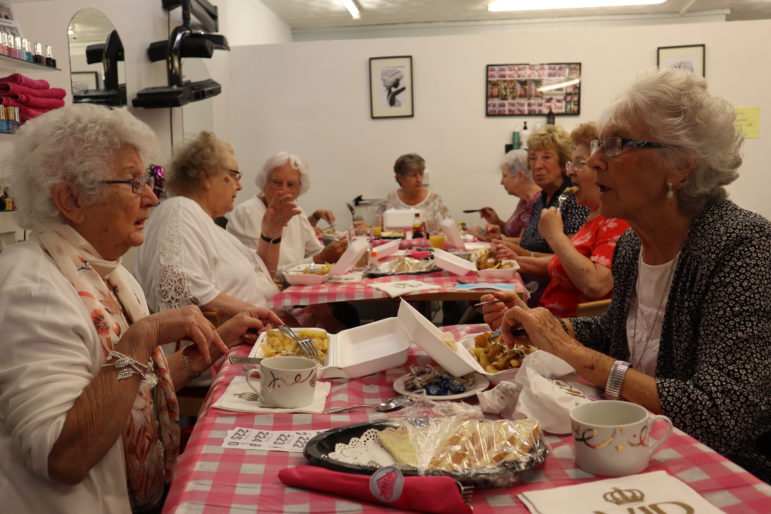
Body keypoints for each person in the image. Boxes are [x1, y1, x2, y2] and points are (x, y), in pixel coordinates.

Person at [484, 69, 770, 481]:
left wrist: (579, 357)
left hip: (723, 471)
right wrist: (545, 326)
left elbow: (720, 413)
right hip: (637, 448)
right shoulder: (633, 246)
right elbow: (621, 333)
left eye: (617, 145)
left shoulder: (742, 246)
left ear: (681, 167)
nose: (595, 161)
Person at [0, 104, 281, 512]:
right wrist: (140, 337)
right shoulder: (29, 287)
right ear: (71, 199)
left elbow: (140, 391)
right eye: (134, 182)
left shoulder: (109, 274)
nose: (151, 197)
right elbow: (62, 457)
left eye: (149, 179)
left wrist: (215, 342)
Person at [135, 131, 297, 321]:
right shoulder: (179, 209)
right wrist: (262, 316)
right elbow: (179, 287)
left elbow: (262, 276)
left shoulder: (207, 224)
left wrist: (272, 231)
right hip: (235, 343)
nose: (239, 186)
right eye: (234, 175)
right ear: (206, 177)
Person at [497, 123, 630, 317]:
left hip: (565, 332)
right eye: (533, 158)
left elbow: (595, 284)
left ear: (602, 169)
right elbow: (563, 262)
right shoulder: (592, 217)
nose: (570, 172)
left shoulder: (616, 221)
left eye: (580, 163)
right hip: (549, 319)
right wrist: (516, 260)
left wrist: (554, 236)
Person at [227, 151, 347, 275]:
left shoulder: (297, 213)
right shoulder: (247, 213)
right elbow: (261, 273)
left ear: (299, 190)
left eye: (290, 185)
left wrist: (337, 250)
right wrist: (318, 260)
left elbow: (315, 251)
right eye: (276, 182)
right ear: (264, 183)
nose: (283, 190)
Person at [475, 149, 541, 241]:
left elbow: (527, 243)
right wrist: (497, 222)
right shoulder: (524, 199)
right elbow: (514, 234)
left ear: (520, 176)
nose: (501, 182)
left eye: (505, 176)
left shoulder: (538, 201)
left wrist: (494, 238)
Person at [383, 153, 450, 233]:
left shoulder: (435, 200)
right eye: (413, 175)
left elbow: (449, 228)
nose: (419, 180)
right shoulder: (390, 200)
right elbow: (379, 230)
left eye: (421, 174)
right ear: (400, 178)